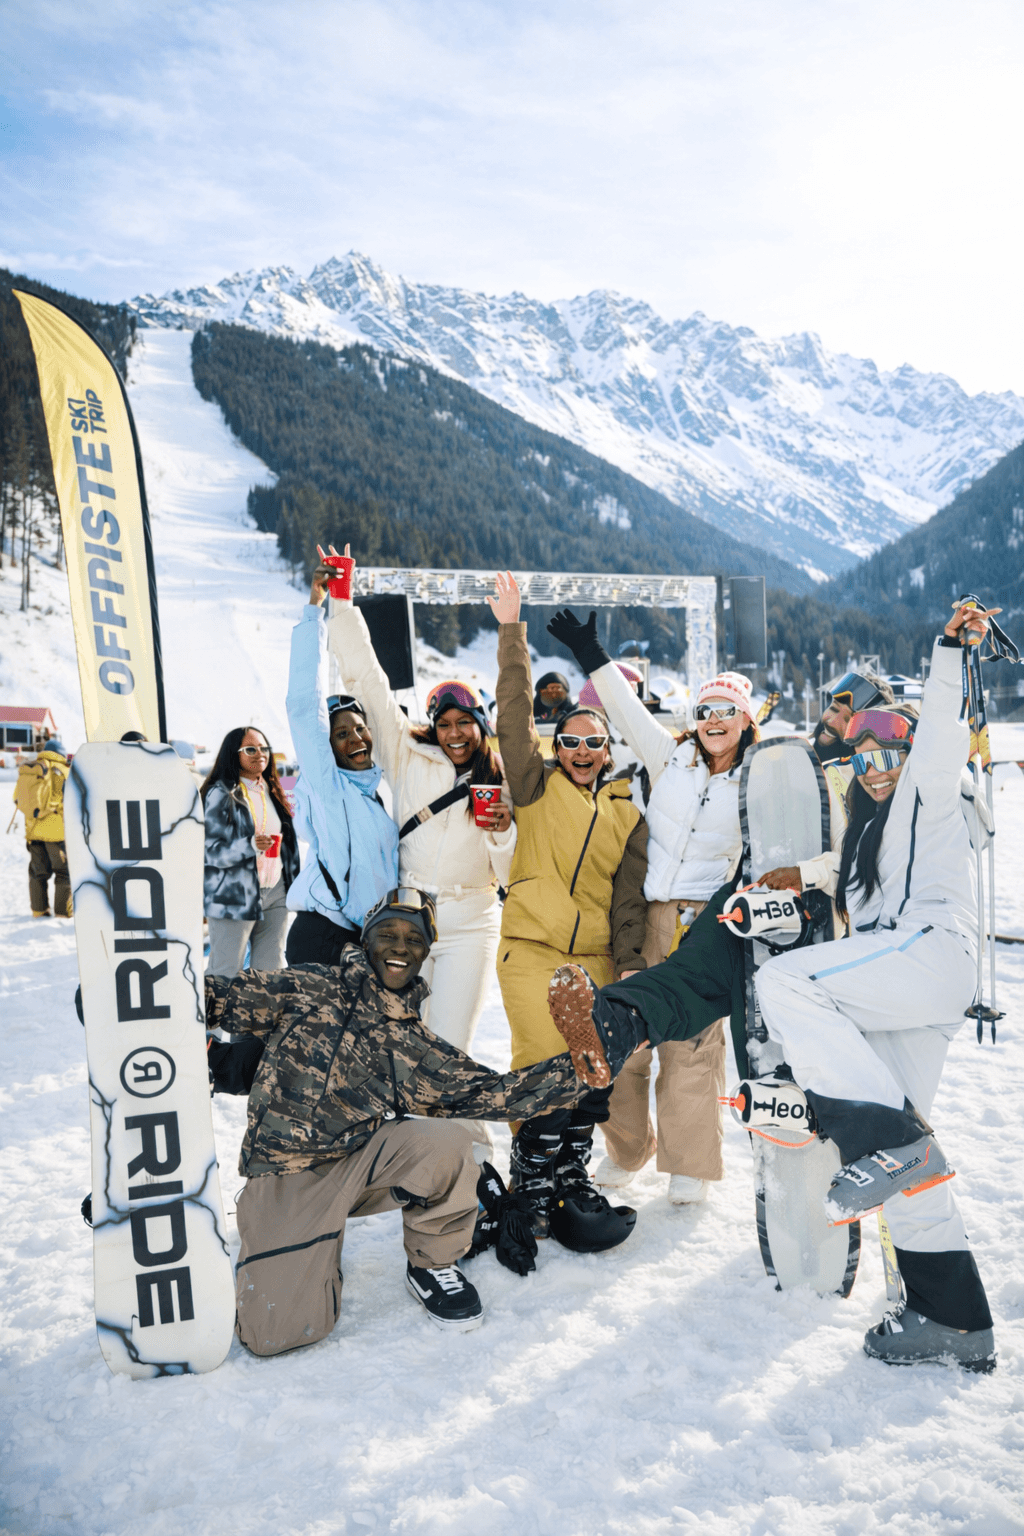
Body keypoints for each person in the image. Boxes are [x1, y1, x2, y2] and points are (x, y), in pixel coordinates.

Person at [549, 603, 998, 1373]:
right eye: (862, 756)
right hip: (904, 981)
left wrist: (948, 649)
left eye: (890, 745)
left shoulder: (929, 788)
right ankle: (950, 1316)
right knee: (916, 1149)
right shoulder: (866, 825)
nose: (877, 763)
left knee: (791, 984)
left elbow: (943, 735)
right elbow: (839, 872)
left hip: (930, 951)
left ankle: (870, 1136)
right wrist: (801, 876)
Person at [205, 888, 587, 1352]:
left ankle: (430, 1263)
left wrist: (582, 1068)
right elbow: (223, 998)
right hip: (283, 1174)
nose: (401, 947)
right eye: (388, 934)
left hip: (357, 1162)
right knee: (275, 1335)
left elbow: (495, 1094)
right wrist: (135, 1000)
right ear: (366, 942)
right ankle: (302, 1249)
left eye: (415, 939)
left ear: (426, 953)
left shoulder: (412, 1042)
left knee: (448, 1142)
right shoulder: (308, 986)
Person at [547, 607, 759, 1205]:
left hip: (708, 921)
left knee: (691, 1046)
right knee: (624, 1034)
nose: (714, 721)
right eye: (705, 711)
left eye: (726, 712)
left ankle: (688, 1163)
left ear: (745, 720)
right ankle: (626, 1149)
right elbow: (623, 708)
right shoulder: (670, 759)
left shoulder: (754, 780)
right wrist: (591, 652)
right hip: (652, 914)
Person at [487, 572, 648, 1250]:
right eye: (572, 742)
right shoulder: (532, 785)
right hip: (531, 948)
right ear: (558, 748)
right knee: (541, 1062)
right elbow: (513, 718)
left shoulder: (627, 811)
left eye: (594, 743)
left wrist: (634, 977)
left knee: (591, 1069)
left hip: (596, 960)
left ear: (609, 752)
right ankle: (529, 1189)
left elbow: (629, 902)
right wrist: (512, 633)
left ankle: (568, 1180)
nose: (581, 751)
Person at [326, 546, 515, 1055]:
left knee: (449, 1046)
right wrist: (341, 603)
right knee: (398, 1044)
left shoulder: (502, 781)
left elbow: (513, 872)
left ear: (481, 725)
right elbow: (368, 679)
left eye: (464, 723)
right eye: (444, 724)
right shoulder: (406, 753)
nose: (454, 733)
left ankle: (461, 1137)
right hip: (409, 916)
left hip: (473, 919)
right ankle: (411, 1135)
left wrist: (502, 828)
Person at [284, 565, 399, 965]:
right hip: (322, 936)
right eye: (341, 734)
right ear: (327, 747)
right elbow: (303, 704)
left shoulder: (379, 797)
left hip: (365, 942)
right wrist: (315, 609)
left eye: (360, 729)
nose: (356, 739)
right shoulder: (327, 785)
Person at [201, 727, 299, 975]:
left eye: (264, 748)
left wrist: (293, 883)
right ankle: (219, 1014)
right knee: (226, 972)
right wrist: (251, 845)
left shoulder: (273, 790)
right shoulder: (220, 794)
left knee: (270, 972)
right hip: (233, 895)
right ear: (234, 754)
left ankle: (262, 1015)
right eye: (250, 750)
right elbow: (211, 852)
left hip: (275, 892)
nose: (260, 754)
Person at [13, 739, 71, 917]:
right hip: (56, 833)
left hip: (34, 831)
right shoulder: (63, 771)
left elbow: (18, 799)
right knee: (63, 873)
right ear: (62, 753)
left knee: (38, 873)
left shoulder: (32, 769)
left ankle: (38, 911)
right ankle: (62, 913)